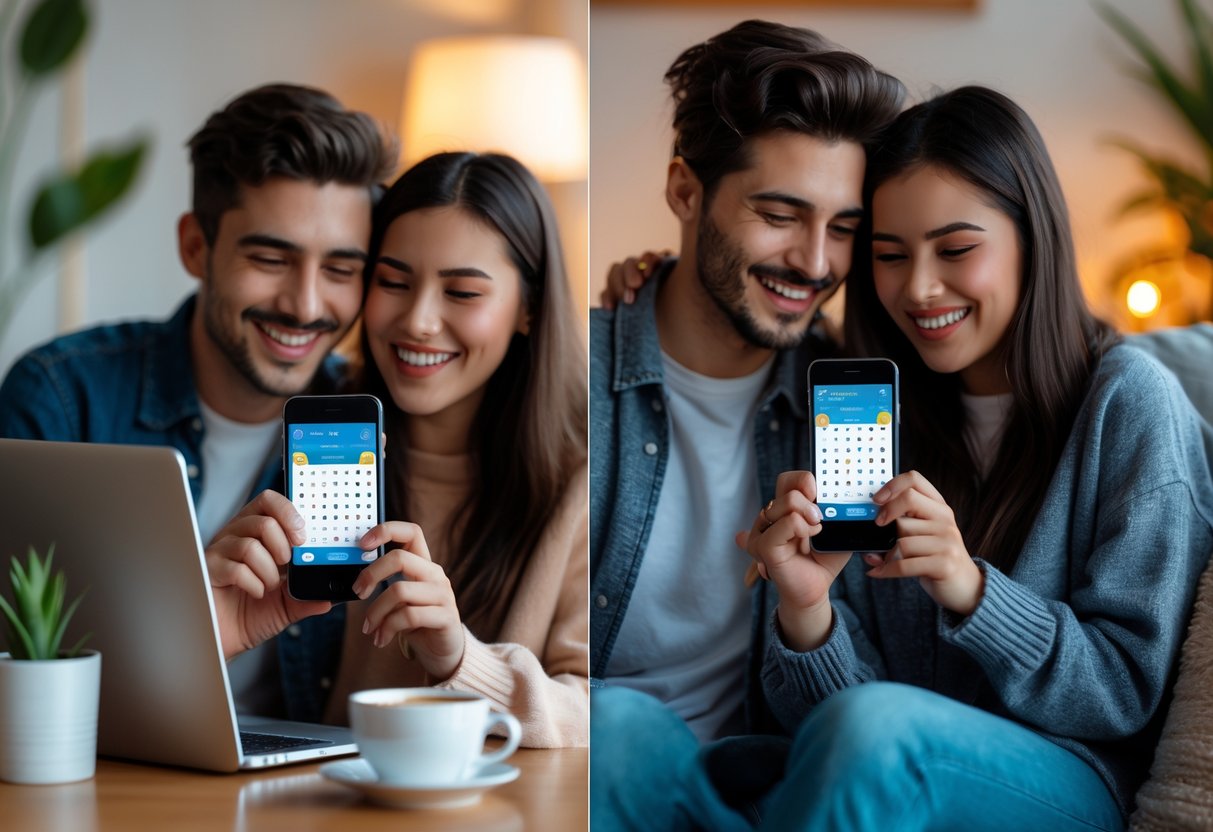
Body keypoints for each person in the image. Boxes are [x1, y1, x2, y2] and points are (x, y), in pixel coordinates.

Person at [731, 86, 1213, 830]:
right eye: (889, 256)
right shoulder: (866, 409)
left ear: (1031, 237)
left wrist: (971, 590)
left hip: (1070, 786)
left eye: (956, 249)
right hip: (891, 770)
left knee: (878, 733)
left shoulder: (1130, 404)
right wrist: (805, 610)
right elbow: (829, 733)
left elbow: (1123, 691)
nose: (919, 288)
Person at [589, 17, 904, 826]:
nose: (814, 262)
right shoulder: (573, 380)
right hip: (589, 769)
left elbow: (851, 733)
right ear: (685, 191)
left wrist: (810, 620)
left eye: (842, 228)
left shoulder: (851, 407)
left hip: (765, 794)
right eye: (780, 214)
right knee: (615, 728)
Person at [0, 83, 397, 718]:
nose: (306, 304)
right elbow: (17, 672)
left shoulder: (374, 419)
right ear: (195, 247)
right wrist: (186, 627)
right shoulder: (60, 398)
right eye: (271, 257)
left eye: (341, 270)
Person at [207, 151, 589, 746]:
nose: (419, 321)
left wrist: (462, 659)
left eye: (462, 292)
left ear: (529, 308)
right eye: (392, 282)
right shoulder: (314, 434)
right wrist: (206, 626)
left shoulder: (581, 478)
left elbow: (600, 710)